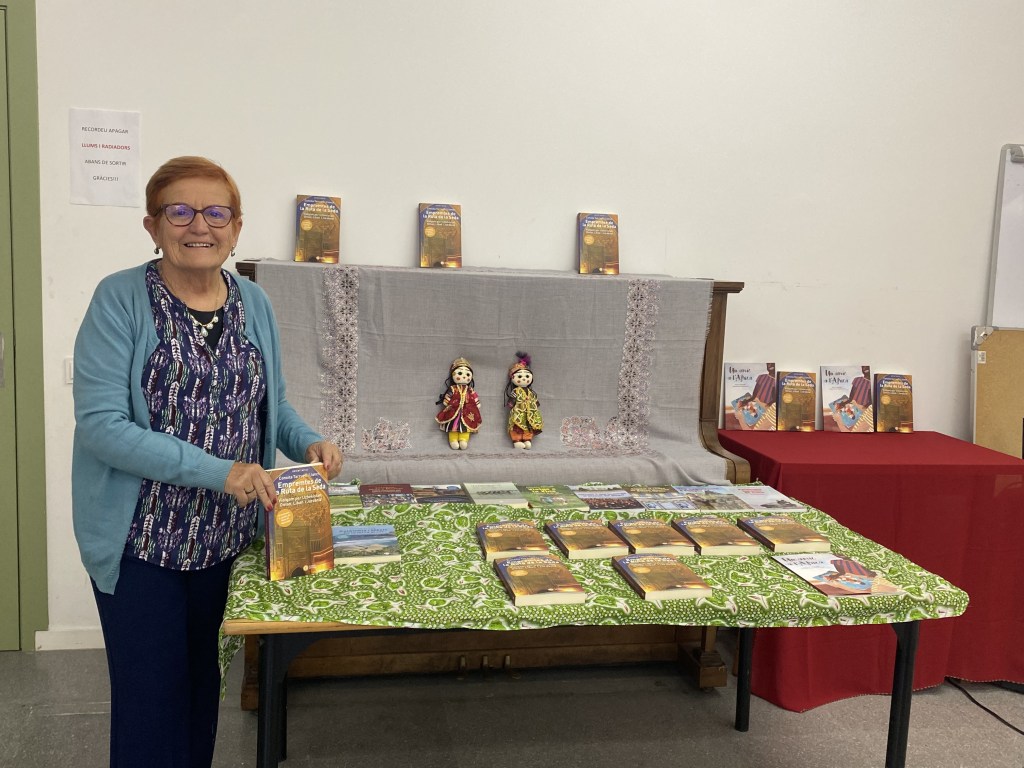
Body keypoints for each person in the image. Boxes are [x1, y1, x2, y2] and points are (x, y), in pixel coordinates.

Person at [71, 155, 343, 768]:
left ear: (236, 226)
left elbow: (271, 406)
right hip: (141, 544)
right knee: (150, 705)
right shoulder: (119, 299)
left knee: (201, 696)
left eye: (217, 212)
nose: (200, 225)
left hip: (226, 539)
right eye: (180, 211)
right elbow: (102, 427)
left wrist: (308, 442)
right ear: (152, 225)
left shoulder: (254, 302)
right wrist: (221, 472)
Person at [435, 357, 482, 449]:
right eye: (460, 373)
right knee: (453, 426)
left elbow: (474, 397)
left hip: (468, 412)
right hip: (453, 411)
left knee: (467, 425)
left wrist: (477, 403)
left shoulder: (470, 389)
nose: (464, 376)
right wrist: (446, 401)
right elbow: (448, 397)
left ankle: (464, 440)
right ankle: (453, 440)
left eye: (467, 374)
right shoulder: (453, 388)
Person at [504, 351, 543, 449]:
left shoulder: (531, 392)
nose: (524, 379)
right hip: (518, 413)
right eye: (520, 376)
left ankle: (527, 439)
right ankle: (516, 441)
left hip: (530, 414)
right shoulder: (516, 391)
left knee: (529, 427)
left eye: (527, 376)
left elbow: (535, 401)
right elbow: (511, 402)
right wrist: (511, 404)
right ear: (512, 378)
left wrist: (535, 406)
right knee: (517, 427)